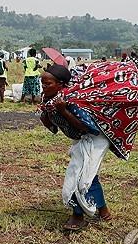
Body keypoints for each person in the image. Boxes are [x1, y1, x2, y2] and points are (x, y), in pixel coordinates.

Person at [39, 65, 112, 230]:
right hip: (82, 141)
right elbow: (54, 129)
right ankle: (104, 211)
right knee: (89, 176)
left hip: (94, 139)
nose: (43, 87)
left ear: (61, 84)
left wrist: (64, 111)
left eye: (48, 84)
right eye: (42, 84)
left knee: (78, 178)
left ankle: (77, 217)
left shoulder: (71, 100)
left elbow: (88, 128)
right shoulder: (51, 101)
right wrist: (45, 115)